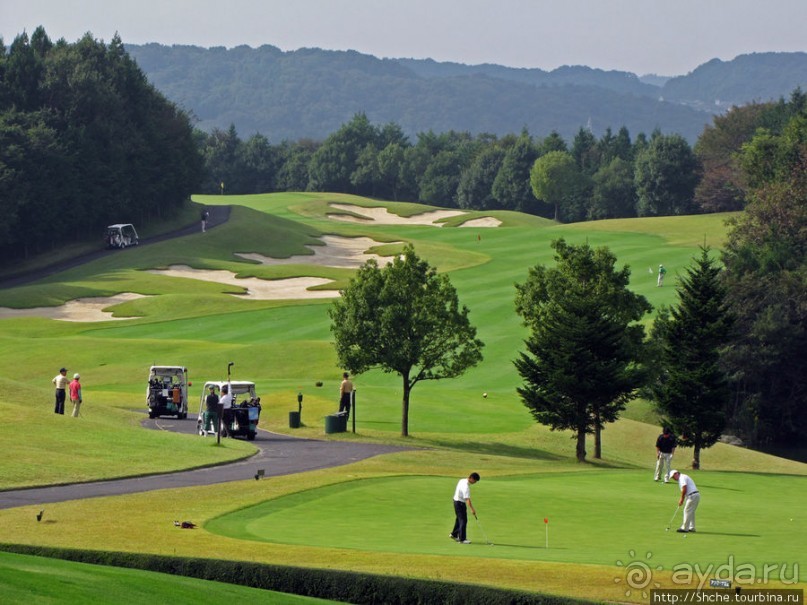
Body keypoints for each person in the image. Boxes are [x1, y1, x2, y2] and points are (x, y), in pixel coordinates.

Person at [450, 472, 480, 544]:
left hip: (456, 501)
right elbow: (467, 499)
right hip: (459, 503)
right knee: (463, 520)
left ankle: (454, 534)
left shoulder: (462, 480)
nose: (475, 482)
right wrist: (472, 509)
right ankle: (462, 539)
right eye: (475, 481)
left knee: (459, 519)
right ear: (471, 478)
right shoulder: (466, 487)